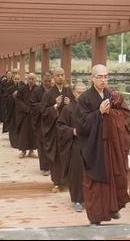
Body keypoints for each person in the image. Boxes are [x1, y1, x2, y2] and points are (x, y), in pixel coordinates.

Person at [75, 64, 130, 226]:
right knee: (95, 183)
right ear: (92, 78)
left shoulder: (111, 95)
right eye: (99, 77)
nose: (103, 80)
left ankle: (113, 207)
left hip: (111, 146)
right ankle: (95, 216)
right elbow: (82, 125)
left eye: (106, 76)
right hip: (94, 147)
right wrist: (98, 112)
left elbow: (125, 116)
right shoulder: (85, 98)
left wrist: (111, 114)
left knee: (114, 176)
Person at [40, 67, 74, 193]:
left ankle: (68, 180)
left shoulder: (69, 92)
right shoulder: (48, 94)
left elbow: (75, 108)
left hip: (66, 130)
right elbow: (43, 112)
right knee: (57, 157)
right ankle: (57, 182)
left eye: (62, 75)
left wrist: (70, 103)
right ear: (54, 78)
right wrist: (54, 106)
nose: (60, 77)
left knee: (68, 155)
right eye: (58, 75)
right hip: (54, 130)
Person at [56, 82, 87, 213]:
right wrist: (72, 131)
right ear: (74, 93)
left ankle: (90, 198)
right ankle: (77, 199)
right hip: (75, 145)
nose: (81, 95)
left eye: (84, 92)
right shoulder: (68, 109)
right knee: (76, 173)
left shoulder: (91, 108)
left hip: (90, 145)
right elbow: (60, 126)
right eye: (79, 92)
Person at [30, 71, 53, 176]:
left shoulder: (54, 90)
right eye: (45, 81)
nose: (47, 83)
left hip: (52, 121)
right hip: (40, 122)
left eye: (49, 81)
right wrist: (45, 105)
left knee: (52, 144)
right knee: (42, 144)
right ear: (42, 80)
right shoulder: (37, 91)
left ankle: (53, 166)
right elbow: (32, 105)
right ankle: (45, 167)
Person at [15, 73, 38, 158]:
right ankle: (23, 151)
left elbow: (40, 100)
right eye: (29, 79)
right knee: (24, 133)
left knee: (33, 133)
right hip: (24, 114)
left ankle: (32, 151)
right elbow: (18, 99)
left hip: (34, 115)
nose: (31, 80)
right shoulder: (22, 88)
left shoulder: (38, 89)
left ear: (35, 79)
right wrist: (25, 108)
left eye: (32, 79)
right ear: (27, 79)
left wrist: (35, 108)